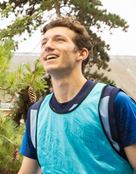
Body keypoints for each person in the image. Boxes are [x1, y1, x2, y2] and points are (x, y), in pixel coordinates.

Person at [18, 16, 136, 173]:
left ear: (81, 53)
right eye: (44, 42)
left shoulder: (114, 103)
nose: (48, 46)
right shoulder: (36, 114)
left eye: (59, 40)